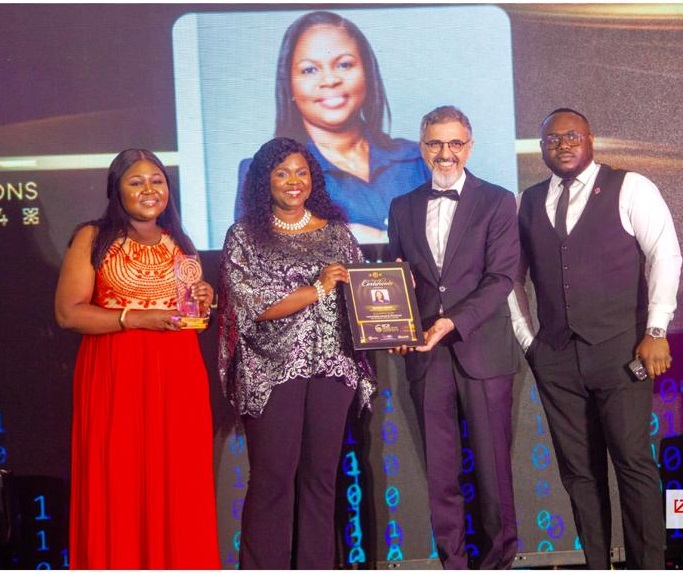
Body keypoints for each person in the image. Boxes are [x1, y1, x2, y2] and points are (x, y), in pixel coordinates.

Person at [509, 108, 682, 569]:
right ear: (541, 148)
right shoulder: (526, 202)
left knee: (632, 462)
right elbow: (510, 278)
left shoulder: (631, 187)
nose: (563, 145)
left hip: (622, 350)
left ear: (591, 140)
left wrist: (656, 330)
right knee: (579, 474)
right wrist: (529, 342)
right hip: (556, 358)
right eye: (552, 139)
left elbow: (665, 255)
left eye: (572, 136)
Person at [54, 149, 221, 569]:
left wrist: (204, 302)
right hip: (117, 373)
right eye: (136, 181)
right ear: (117, 189)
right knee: (121, 479)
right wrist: (135, 318)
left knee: (178, 481)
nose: (149, 189)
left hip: (178, 376)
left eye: (157, 180)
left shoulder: (179, 242)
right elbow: (68, 313)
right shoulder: (93, 237)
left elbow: (192, 320)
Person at [219, 137, 376, 569]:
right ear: (264, 180)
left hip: (333, 368)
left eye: (302, 172)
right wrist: (318, 288)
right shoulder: (245, 237)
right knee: (272, 479)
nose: (294, 181)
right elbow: (253, 304)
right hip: (272, 370)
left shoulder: (337, 233)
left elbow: (364, 295)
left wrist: (395, 300)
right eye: (282, 172)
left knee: (321, 479)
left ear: (313, 179)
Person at [387, 105, 521, 569]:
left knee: (493, 472)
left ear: (470, 146)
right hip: (425, 354)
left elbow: (501, 278)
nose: (445, 153)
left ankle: (498, 563)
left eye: (455, 143)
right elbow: (400, 278)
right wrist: (397, 317)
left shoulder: (498, 201)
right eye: (435, 143)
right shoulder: (401, 207)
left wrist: (452, 321)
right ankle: (454, 563)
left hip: (482, 348)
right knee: (441, 472)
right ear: (422, 147)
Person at [235, 10, 430, 243]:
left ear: (367, 73)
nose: (329, 80)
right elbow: (255, 258)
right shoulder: (261, 173)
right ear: (289, 85)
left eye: (344, 65)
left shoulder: (420, 159)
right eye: (310, 70)